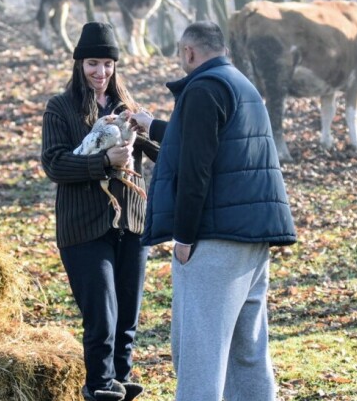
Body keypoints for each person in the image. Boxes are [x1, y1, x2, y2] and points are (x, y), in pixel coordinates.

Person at [131, 21, 297, 400]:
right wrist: (153, 126)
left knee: (199, 356)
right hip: (254, 239)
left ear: (188, 52)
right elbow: (209, 140)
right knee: (247, 354)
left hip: (216, 239)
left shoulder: (203, 89)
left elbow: (196, 169)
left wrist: (185, 237)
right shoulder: (240, 84)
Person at [41, 22, 158, 401]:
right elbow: (56, 165)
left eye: (107, 64)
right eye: (93, 63)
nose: (100, 72)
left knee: (127, 318)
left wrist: (153, 131)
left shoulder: (128, 108)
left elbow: (162, 153)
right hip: (84, 228)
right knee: (102, 319)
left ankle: (120, 382)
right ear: (79, 64)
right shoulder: (61, 109)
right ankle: (100, 388)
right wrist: (104, 162)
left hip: (132, 224)